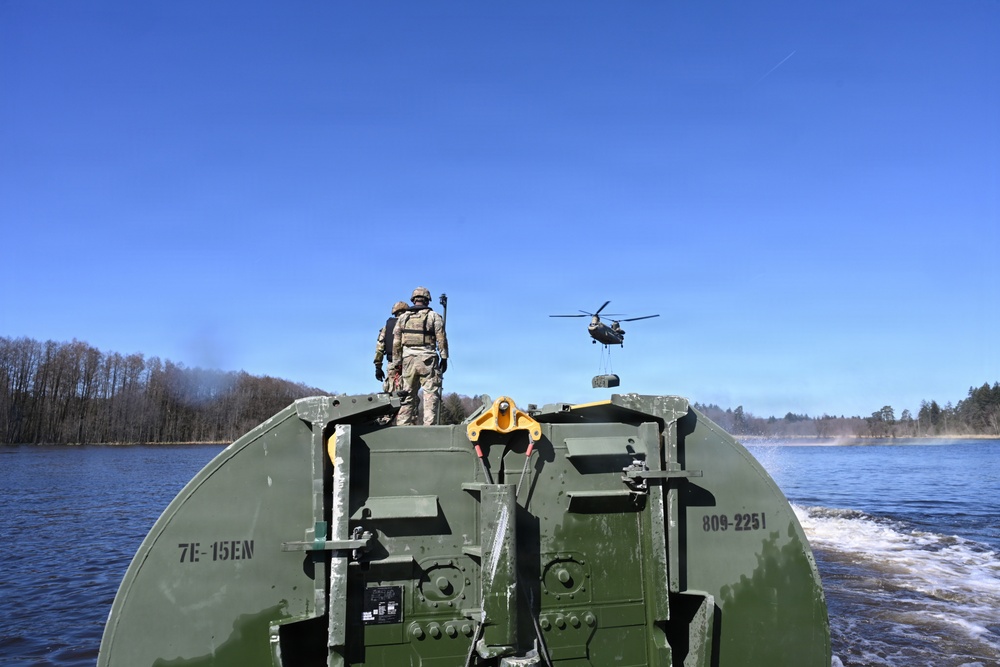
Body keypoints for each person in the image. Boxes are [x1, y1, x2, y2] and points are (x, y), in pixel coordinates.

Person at [391, 286, 449, 426]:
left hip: (408, 360)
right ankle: (429, 428)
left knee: (406, 395)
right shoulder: (434, 316)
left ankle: (403, 427)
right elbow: (441, 339)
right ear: (427, 300)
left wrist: (396, 362)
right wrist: (444, 357)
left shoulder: (403, 318)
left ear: (413, 300)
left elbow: (396, 342)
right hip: (428, 360)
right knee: (430, 394)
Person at [374, 300, 409, 393]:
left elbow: (379, 348)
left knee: (392, 393)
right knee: (409, 392)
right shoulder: (410, 325)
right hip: (409, 363)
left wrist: (378, 367)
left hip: (393, 364)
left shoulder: (386, 328)